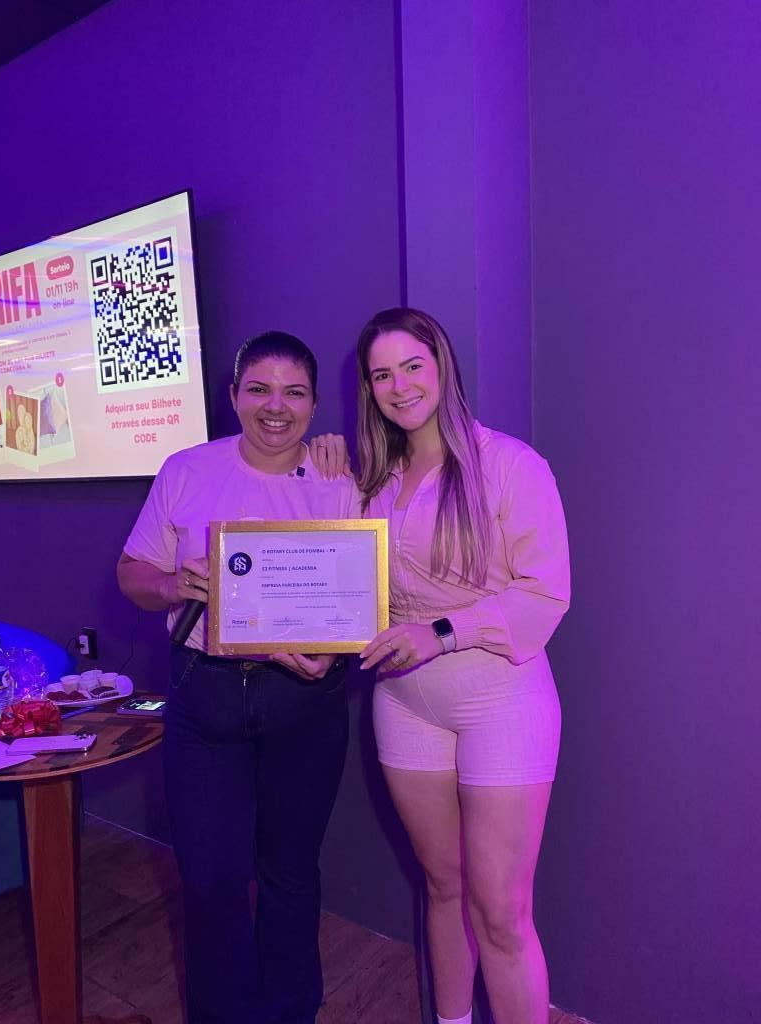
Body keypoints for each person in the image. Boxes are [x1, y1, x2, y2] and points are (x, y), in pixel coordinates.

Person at [117, 331, 359, 1024]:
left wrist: (336, 652)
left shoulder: (342, 480)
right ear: (233, 396)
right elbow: (132, 573)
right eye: (258, 389)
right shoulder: (187, 470)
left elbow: (364, 596)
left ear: (314, 404)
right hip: (207, 698)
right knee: (211, 882)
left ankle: (289, 1013)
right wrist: (173, 584)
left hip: (305, 701)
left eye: (293, 392)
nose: (275, 406)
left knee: (291, 875)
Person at [354, 308, 570, 1024]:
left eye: (412, 366)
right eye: (381, 375)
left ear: (442, 365)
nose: (400, 386)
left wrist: (441, 633)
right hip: (403, 704)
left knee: (500, 911)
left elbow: (545, 591)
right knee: (442, 887)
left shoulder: (509, 464)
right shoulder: (370, 480)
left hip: (500, 700)